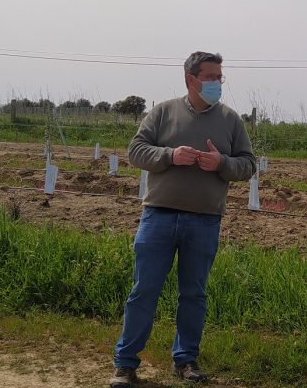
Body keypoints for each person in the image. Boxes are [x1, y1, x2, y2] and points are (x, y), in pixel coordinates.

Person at [110, 51, 257, 388]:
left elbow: (248, 164)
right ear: (191, 79)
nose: (218, 82)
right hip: (158, 216)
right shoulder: (163, 112)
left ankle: (186, 360)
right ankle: (125, 363)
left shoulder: (231, 120)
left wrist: (221, 162)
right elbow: (135, 151)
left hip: (204, 221)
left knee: (194, 294)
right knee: (144, 290)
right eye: (211, 77)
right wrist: (170, 155)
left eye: (221, 77)